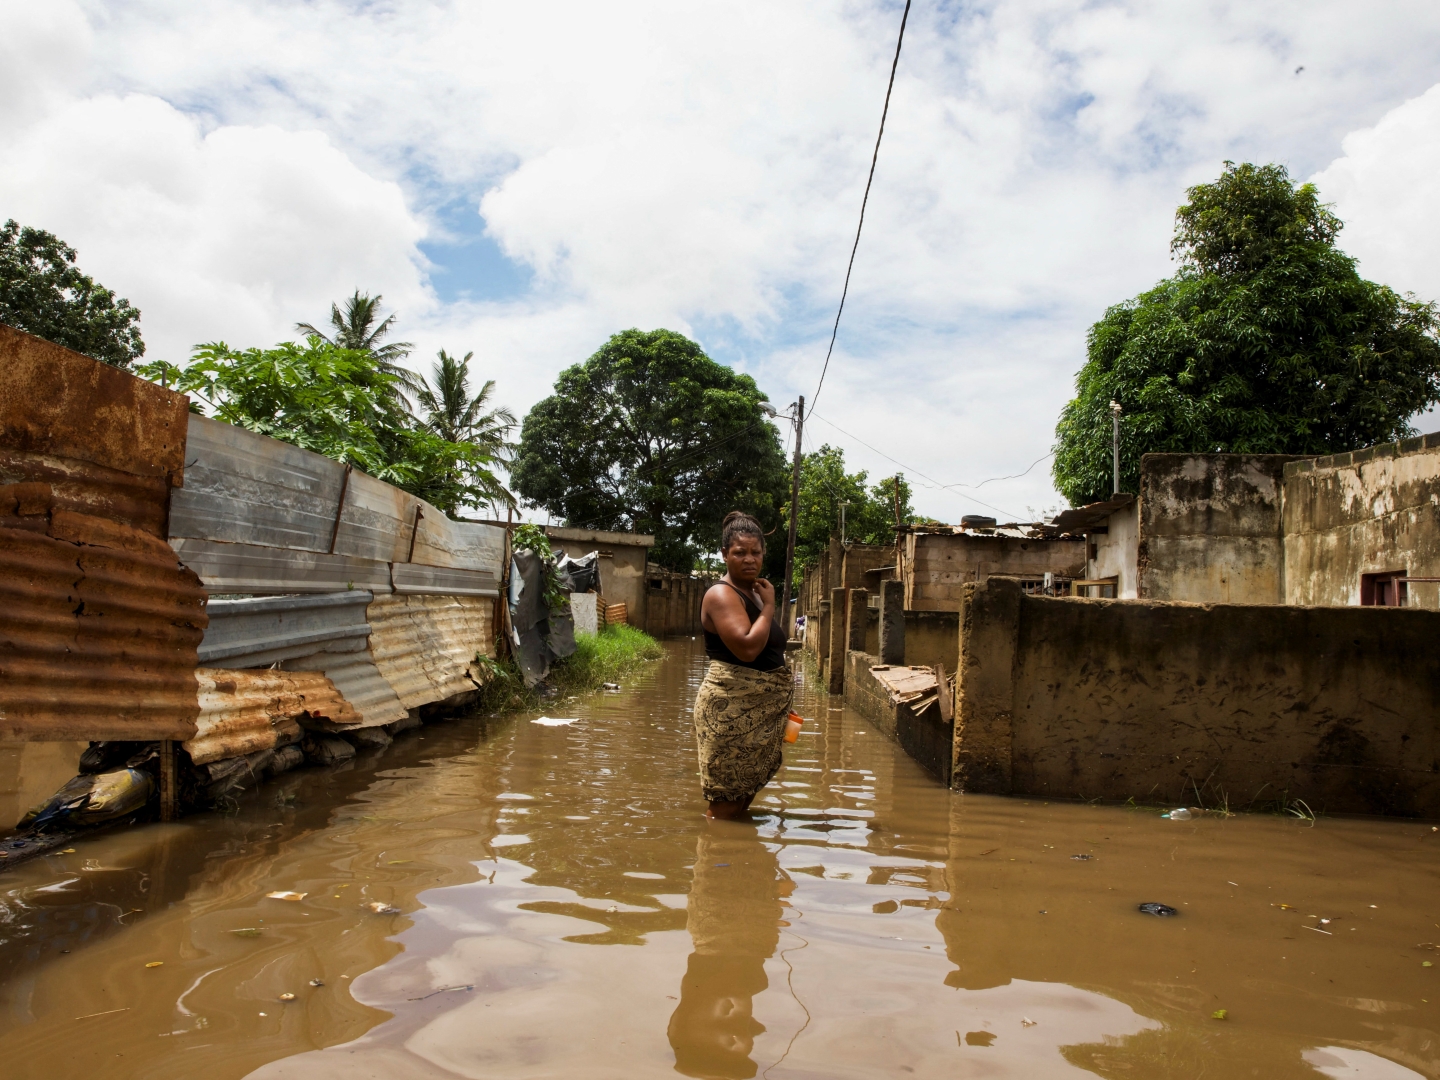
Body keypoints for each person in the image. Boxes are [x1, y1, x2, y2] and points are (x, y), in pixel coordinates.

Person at [692, 511, 792, 819]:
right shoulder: (722, 594)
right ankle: (715, 858)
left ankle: (738, 863)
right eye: (740, 553)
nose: (749, 559)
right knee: (725, 804)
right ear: (724, 554)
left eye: (755, 552)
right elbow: (748, 648)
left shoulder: (756, 594)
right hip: (731, 713)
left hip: (758, 714)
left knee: (740, 800)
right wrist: (772, 606)